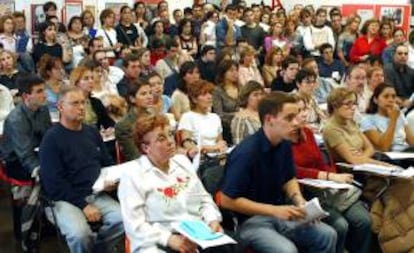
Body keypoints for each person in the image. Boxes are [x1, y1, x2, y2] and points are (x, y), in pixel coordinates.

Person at [219, 92, 337, 253]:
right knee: (286, 250)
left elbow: (289, 178)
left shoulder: (284, 143)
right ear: (269, 120)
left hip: (279, 212)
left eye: (296, 116)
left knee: (327, 235)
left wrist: (300, 201)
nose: (296, 123)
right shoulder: (246, 153)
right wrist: (274, 210)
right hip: (250, 221)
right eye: (289, 118)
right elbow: (226, 200)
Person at [118, 113, 229, 253]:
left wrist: (212, 220)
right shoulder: (133, 175)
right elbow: (136, 226)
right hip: (160, 240)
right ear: (146, 148)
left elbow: (204, 199)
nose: (170, 141)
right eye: (161, 138)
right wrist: (169, 239)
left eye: (170, 134)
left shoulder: (182, 162)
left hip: (197, 233)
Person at [39, 86, 124, 253]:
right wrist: (83, 205)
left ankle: (97, 249)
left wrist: (111, 180)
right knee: (80, 234)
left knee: (123, 219)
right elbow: (54, 184)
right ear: (60, 107)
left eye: (83, 103)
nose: (81, 107)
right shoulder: (51, 139)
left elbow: (106, 162)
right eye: (75, 103)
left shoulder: (91, 132)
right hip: (65, 199)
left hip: (96, 192)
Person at [290, 96, 372, 253]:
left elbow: (321, 161)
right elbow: (293, 170)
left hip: (326, 188)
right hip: (305, 192)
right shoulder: (282, 137)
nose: (303, 114)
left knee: (364, 220)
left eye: (304, 109)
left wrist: (334, 179)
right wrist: (328, 177)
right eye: (297, 111)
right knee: (340, 225)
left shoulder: (307, 132)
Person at [1, 74, 51, 240]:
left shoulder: (43, 110)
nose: (45, 95)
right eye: (39, 91)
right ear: (25, 96)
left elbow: (48, 138)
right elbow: (24, 155)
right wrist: (41, 171)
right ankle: (25, 230)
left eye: (44, 90)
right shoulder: (15, 119)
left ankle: (44, 222)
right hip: (15, 161)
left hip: (35, 153)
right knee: (43, 176)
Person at [323, 87, 386, 165]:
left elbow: (370, 148)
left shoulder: (351, 122)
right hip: (349, 169)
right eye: (347, 104)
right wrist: (385, 165)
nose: (353, 108)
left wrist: (362, 156)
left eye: (354, 104)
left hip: (365, 163)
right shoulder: (331, 129)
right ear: (335, 106)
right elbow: (352, 160)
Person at [361, 83, 414, 152]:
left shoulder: (399, 115)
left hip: (405, 152)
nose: (391, 100)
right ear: (375, 100)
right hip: (387, 157)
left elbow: (412, 141)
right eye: (386, 96)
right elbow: (384, 147)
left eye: (393, 96)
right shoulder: (367, 120)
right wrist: (393, 120)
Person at [115, 79, 154, 161]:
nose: (149, 97)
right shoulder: (123, 126)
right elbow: (134, 156)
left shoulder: (155, 118)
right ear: (132, 99)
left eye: (150, 93)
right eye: (144, 94)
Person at [213, 60, 240, 144]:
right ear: (223, 73)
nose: (235, 73)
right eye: (231, 70)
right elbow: (219, 114)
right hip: (226, 128)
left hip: (241, 124)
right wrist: (237, 115)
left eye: (236, 70)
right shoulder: (217, 91)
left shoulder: (241, 88)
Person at [37, 54, 66, 121]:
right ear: (49, 72)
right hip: (47, 121)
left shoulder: (67, 86)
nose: (61, 71)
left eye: (62, 68)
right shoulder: (42, 88)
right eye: (57, 69)